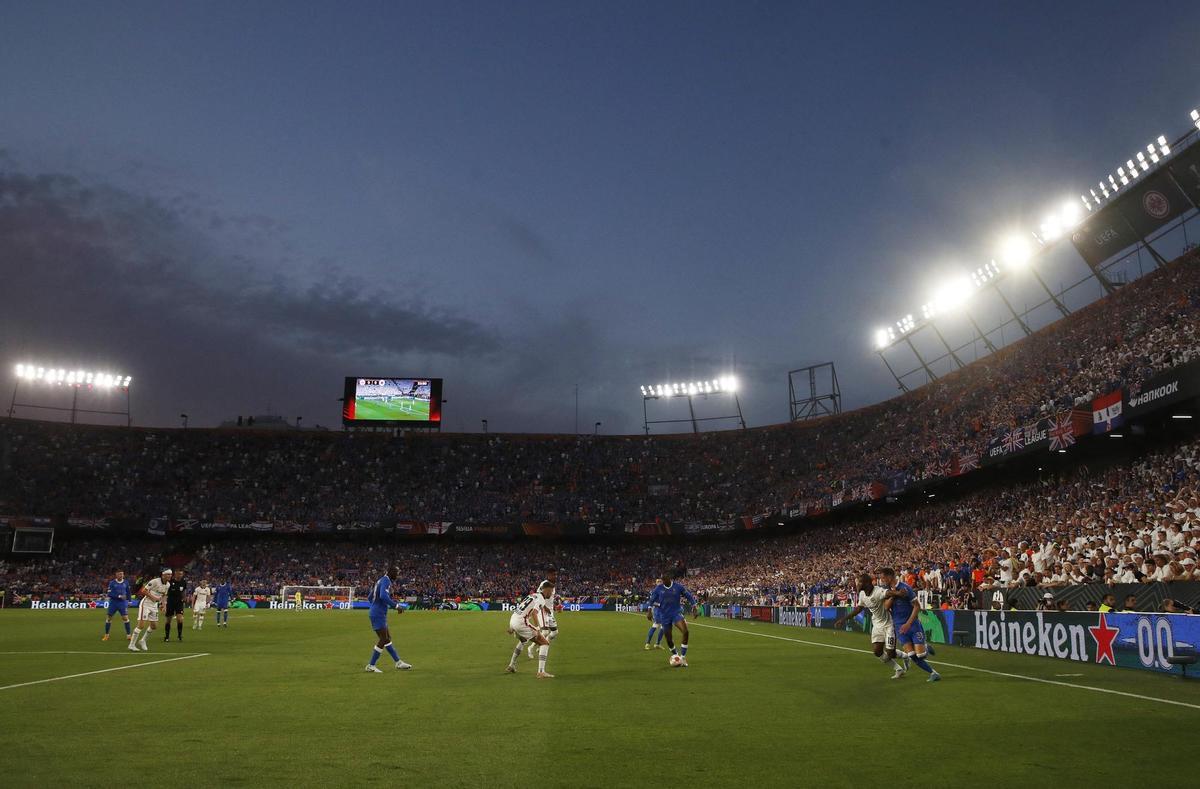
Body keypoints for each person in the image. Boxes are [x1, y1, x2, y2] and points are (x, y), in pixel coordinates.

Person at [834, 572, 907, 679]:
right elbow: (859, 609)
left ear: (867, 583)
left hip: (888, 624)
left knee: (890, 653)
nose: (857, 585)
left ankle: (905, 656)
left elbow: (888, 593)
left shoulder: (877, 591)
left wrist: (899, 593)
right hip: (877, 625)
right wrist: (843, 619)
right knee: (877, 652)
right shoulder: (862, 594)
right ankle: (898, 669)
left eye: (859, 583)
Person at [881, 567, 940, 683]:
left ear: (889, 576)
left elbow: (917, 606)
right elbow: (886, 607)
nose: (882, 580)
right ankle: (934, 673)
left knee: (921, 655)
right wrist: (894, 594)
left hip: (912, 625)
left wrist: (908, 623)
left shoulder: (905, 588)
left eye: (883, 578)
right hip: (899, 627)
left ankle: (926, 647)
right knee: (912, 655)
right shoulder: (886, 591)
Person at [364, 566, 412, 673]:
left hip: (377, 612)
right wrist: (396, 606)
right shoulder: (386, 581)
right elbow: (383, 596)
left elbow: (369, 597)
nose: (397, 575)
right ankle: (371, 665)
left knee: (387, 638)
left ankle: (398, 662)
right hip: (378, 614)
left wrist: (375, 607)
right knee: (383, 639)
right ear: (391, 573)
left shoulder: (380, 580)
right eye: (396, 573)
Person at [506, 581, 554, 678]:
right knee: (544, 643)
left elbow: (522, 608)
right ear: (547, 590)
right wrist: (538, 629)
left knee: (523, 640)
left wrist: (512, 627)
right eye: (551, 591)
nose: (552, 593)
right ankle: (541, 672)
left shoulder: (532, 595)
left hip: (513, 619)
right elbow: (534, 613)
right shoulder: (541, 599)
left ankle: (511, 665)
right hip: (521, 622)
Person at [648, 571, 696, 666]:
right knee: (669, 640)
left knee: (685, 632)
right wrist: (649, 611)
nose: (663, 581)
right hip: (664, 616)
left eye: (664, 579)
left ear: (669, 578)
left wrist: (694, 606)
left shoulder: (678, 587)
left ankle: (683, 657)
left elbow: (689, 596)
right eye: (662, 580)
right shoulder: (658, 588)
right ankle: (676, 656)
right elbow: (651, 600)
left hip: (676, 613)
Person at [129, 569, 172, 652]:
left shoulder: (168, 585)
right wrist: (154, 598)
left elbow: (164, 595)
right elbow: (143, 591)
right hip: (145, 604)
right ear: (163, 575)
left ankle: (143, 640)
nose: (169, 576)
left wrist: (164, 605)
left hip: (154, 606)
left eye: (170, 574)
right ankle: (131, 645)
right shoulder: (155, 581)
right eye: (168, 574)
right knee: (141, 625)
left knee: (154, 626)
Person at [102, 570, 132, 642]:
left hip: (122, 603)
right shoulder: (112, 583)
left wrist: (130, 601)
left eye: (122, 574)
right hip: (113, 603)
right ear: (116, 575)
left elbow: (128, 592)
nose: (121, 575)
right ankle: (106, 635)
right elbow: (109, 594)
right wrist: (119, 596)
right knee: (109, 618)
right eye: (119, 574)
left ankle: (128, 635)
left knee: (125, 618)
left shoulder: (126, 582)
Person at [164, 568, 188, 642]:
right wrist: (164, 602)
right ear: (175, 574)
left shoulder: (183, 582)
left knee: (180, 619)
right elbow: (165, 592)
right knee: (168, 620)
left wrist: (184, 598)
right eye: (178, 574)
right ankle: (167, 636)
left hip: (179, 603)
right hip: (170, 602)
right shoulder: (170, 582)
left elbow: (184, 591)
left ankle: (179, 636)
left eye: (181, 574)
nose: (180, 575)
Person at [644, 576, 666, 650]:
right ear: (656, 583)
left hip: (664, 611)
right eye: (658, 581)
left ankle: (657, 644)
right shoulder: (655, 590)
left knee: (663, 627)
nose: (659, 582)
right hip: (657, 611)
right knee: (655, 625)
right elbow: (651, 602)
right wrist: (650, 610)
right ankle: (647, 643)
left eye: (660, 581)